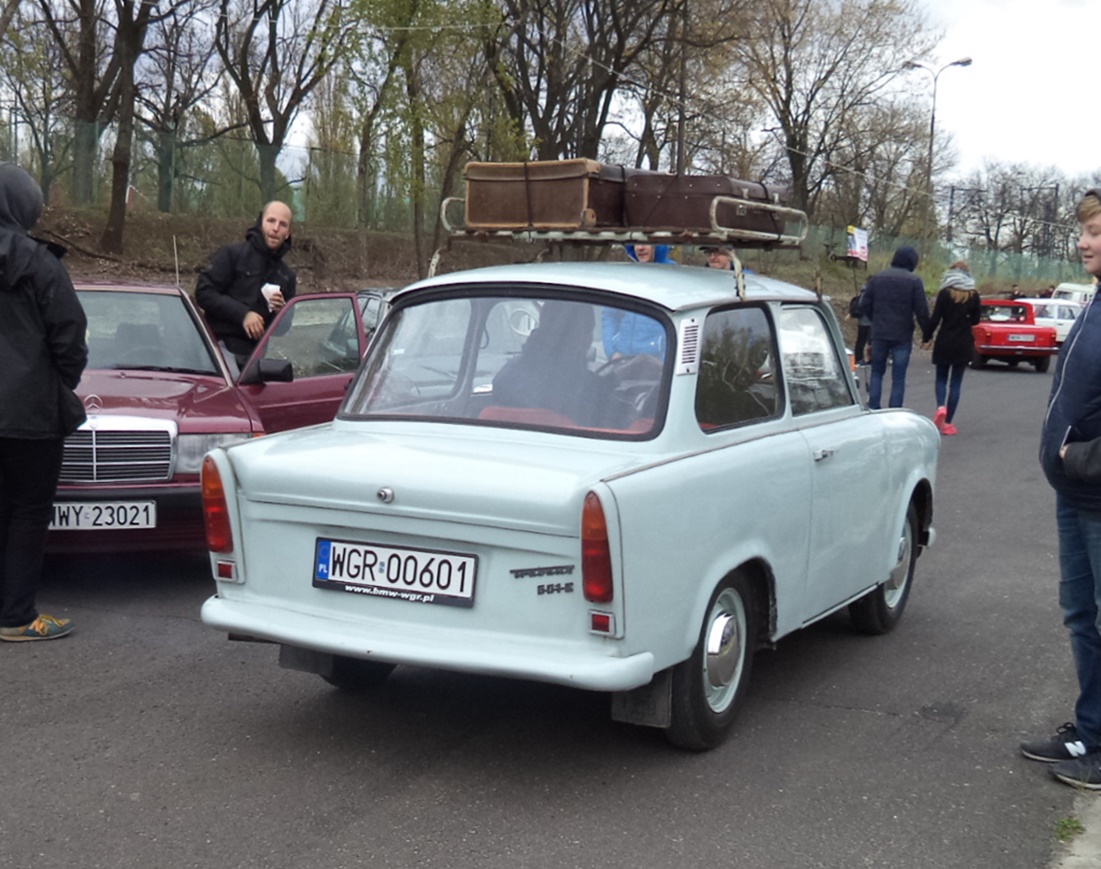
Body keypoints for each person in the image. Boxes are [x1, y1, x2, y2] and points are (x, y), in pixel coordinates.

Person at [1026, 188, 1101, 789]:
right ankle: (1091, 731)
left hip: (1096, 492)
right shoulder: (1096, 300)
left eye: (1095, 232)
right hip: (1075, 495)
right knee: (1081, 616)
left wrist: (1081, 455)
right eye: (1084, 231)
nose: (1082, 242)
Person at [0, 163, 88, 642]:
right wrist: (58, 382)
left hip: (26, 407)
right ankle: (16, 617)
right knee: (28, 513)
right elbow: (69, 335)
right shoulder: (38, 263)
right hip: (30, 414)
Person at [195, 200, 296, 359]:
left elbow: (283, 329)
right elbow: (204, 293)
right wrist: (243, 314)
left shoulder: (287, 275)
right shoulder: (232, 254)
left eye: (283, 224)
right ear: (260, 223)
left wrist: (281, 312)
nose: (276, 228)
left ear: (288, 232)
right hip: (216, 348)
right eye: (271, 221)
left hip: (254, 356)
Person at [859, 245, 930, 409]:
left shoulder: (877, 278)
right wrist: (927, 334)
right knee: (899, 377)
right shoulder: (914, 281)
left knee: (877, 372)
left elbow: (864, 304)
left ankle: (874, 407)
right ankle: (895, 410)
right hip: (902, 334)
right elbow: (922, 311)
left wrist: (875, 319)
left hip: (879, 332)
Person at [921, 262, 981, 435]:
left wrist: (927, 337)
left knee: (941, 378)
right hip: (963, 343)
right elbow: (976, 320)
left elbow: (935, 319)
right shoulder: (973, 295)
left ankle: (941, 407)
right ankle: (948, 423)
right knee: (956, 383)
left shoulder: (944, 293)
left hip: (945, 340)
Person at [602, 244, 671, 359]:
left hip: (656, 365)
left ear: (659, 245)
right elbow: (609, 314)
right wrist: (612, 351)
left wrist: (665, 363)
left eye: (645, 243)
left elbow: (679, 327)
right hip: (623, 361)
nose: (640, 248)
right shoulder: (627, 276)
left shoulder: (673, 277)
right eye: (636, 243)